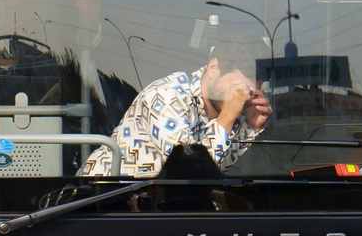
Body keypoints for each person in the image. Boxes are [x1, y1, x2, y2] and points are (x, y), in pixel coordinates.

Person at [84, 54, 270, 178]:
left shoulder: (226, 108)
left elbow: (217, 165)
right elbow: (189, 172)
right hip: (99, 204)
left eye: (251, 93)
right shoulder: (165, 97)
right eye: (239, 89)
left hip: (150, 205)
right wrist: (226, 118)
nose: (243, 98)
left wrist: (250, 128)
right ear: (214, 68)